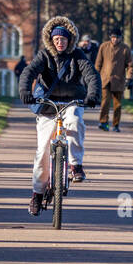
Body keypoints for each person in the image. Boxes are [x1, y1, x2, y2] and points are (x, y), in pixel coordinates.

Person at [18, 15, 101, 216]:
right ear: (51, 41)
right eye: (56, 40)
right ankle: (37, 194)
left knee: (75, 121)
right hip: (48, 104)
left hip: (72, 101)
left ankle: (75, 165)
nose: (60, 43)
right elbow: (28, 72)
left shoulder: (78, 55)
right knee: (42, 152)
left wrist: (92, 95)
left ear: (70, 40)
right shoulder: (44, 55)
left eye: (63, 39)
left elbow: (91, 75)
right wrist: (25, 91)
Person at [95, 27, 133, 132]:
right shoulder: (103, 47)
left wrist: (130, 78)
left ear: (121, 38)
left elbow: (130, 65)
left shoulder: (125, 49)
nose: (115, 39)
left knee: (117, 105)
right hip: (105, 79)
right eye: (113, 37)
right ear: (110, 37)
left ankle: (116, 125)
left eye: (117, 37)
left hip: (119, 80)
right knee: (105, 103)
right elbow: (98, 64)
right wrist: (95, 77)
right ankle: (103, 122)